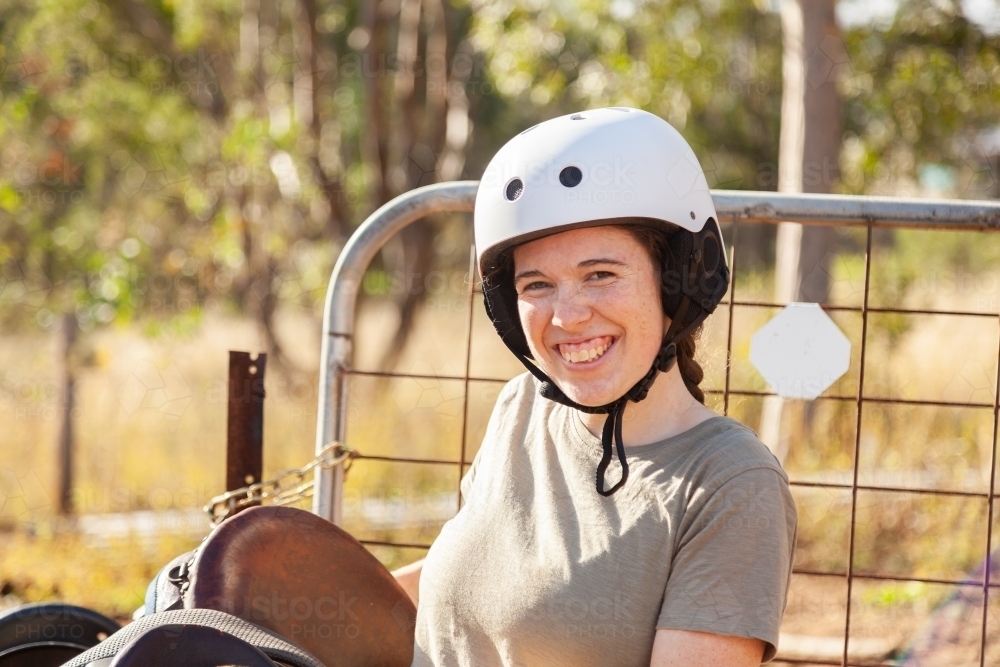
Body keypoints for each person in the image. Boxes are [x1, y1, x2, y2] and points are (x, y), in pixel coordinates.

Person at [393, 107, 797, 667]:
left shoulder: (730, 484)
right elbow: (468, 581)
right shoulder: (521, 409)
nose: (568, 314)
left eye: (599, 274)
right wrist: (286, 605)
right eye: (538, 284)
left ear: (678, 282)